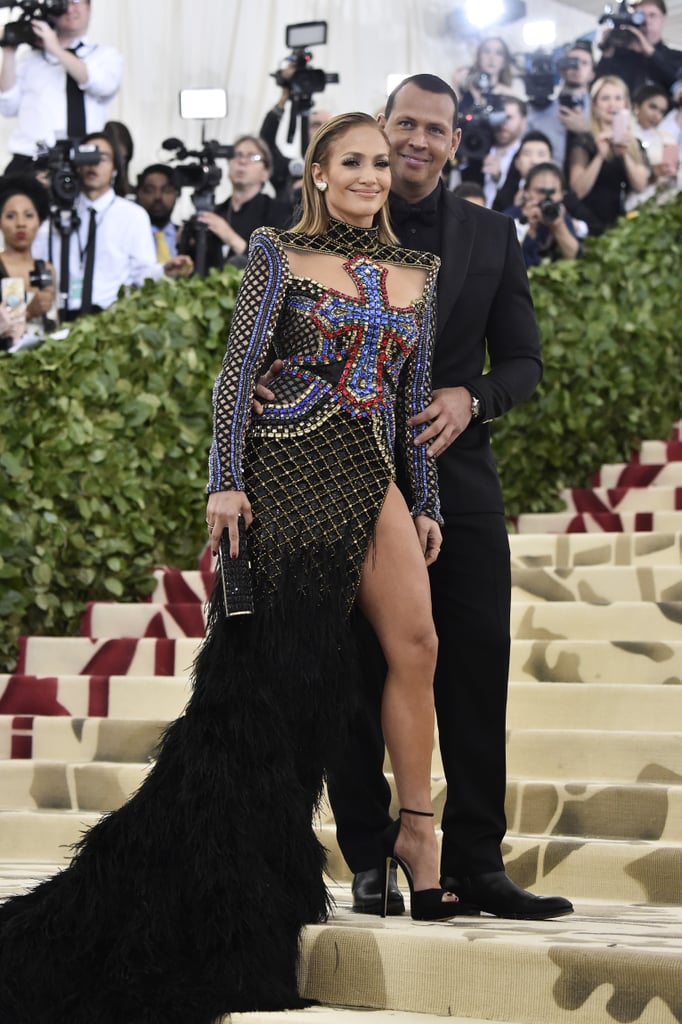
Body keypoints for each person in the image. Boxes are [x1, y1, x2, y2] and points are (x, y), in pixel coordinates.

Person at [0, 110, 461, 1023]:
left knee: (418, 644)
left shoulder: (420, 271)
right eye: (352, 162)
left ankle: (420, 836)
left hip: (373, 475)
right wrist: (225, 483)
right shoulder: (275, 254)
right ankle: (234, 867)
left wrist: (427, 499)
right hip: (286, 470)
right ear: (319, 174)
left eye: (380, 162)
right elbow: (234, 370)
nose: (371, 175)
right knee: (272, 683)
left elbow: (412, 396)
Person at [308, 74, 573, 921]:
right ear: (380, 131)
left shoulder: (493, 237)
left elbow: (525, 362)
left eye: (435, 129)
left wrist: (472, 397)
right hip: (343, 478)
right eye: (404, 126)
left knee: (473, 668)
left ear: (456, 141)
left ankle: (478, 861)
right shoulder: (329, 233)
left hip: (455, 485)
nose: (418, 141)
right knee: (352, 668)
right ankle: (368, 855)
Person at [33, 131, 190, 320]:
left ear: (116, 167)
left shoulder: (133, 215)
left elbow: (141, 273)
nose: (94, 163)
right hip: (60, 317)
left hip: (111, 320)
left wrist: (164, 270)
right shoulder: (57, 213)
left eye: (104, 158)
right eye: (88, 155)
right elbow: (36, 261)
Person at [0, 0, 123, 174]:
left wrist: (55, 49)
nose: (71, 9)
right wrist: (8, 52)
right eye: (64, 3)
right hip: (31, 158)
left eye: (77, 2)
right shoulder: (29, 59)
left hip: (82, 161)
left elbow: (102, 86)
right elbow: (8, 107)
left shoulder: (105, 56)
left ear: (89, 8)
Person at [178, 134, 292, 272]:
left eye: (252, 157)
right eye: (236, 155)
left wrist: (230, 238)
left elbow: (279, 267)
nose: (242, 161)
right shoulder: (215, 213)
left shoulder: (280, 212)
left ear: (266, 172)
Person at [567, 75, 649, 230]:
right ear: (595, 106)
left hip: (620, 223)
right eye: (605, 98)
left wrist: (624, 154)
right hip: (587, 220)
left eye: (618, 98)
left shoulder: (634, 144)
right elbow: (577, 191)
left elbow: (640, 185)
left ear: (626, 104)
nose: (613, 104)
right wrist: (599, 156)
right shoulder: (583, 142)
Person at [0, 174, 57, 343]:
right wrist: (29, 312)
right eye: (11, 216)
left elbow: (55, 320)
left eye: (29, 215)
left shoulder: (47, 269)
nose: (20, 223)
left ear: (39, 220)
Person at [526, 41, 596, 169]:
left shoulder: (600, 109)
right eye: (572, 61)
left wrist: (587, 131)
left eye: (584, 63)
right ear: (562, 68)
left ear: (592, 73)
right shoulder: (541, 110)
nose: (577, 67)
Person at [595, 0, 682, 97]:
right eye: (641, 16)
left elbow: (676, 85)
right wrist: (607, 53)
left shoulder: (676, 58)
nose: (647, 21)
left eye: (652, 15)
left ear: (663, 19)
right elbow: (597, 88)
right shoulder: (618, 56)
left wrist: (650, 53)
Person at [503, 161, 582, 266]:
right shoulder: (509, 218)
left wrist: (558, 226)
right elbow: (508, 262)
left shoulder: (561, 216)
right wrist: (527, 227)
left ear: (561, 194)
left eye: (552, 192)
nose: (546, 198)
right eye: (540, 191)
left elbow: (574, 257)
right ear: (526, 192)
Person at [481, 96, 528, 207]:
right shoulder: (479, 149)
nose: (502, 123)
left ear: (523, 122)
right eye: (498, 117)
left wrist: (499, 179)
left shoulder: (526, 154)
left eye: (508, 117)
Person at [136, 163, 182, 261]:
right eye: (149, 190)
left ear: (177, 194)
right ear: (139, 193)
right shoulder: (128, 234)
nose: (158, 197)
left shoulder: (186, 236)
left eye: (166, 190)